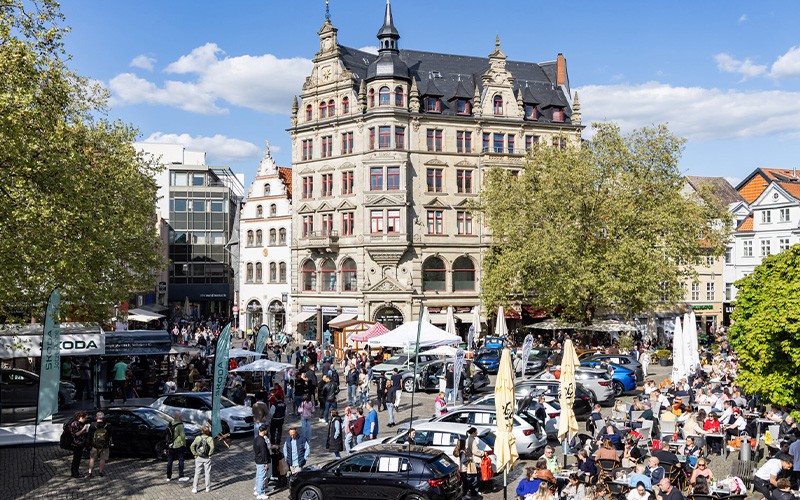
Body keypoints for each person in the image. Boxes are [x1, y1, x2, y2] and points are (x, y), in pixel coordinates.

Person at [166, 412, 189, 482]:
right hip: (178, 445)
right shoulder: (180, 425)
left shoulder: (170, 423)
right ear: (179, 417)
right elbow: (182, 436)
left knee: (170, 460)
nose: (182, 417)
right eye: (181, 416)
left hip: (170, 445)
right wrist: (184, 444)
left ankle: (168, 477)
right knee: (181, 460)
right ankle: (181, 476)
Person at [190, 426, 214, 494]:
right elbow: (212, 447)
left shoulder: (198, 438)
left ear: (202, 431)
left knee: (197, 473)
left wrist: (195, 454)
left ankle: (195, 488)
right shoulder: (209, 439)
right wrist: (210, 454)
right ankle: (207, 488)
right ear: (208, 432)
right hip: (207, 458)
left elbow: (192, 446)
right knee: (207, 473)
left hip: (199, 457)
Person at [87, 411, 109, 479]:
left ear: (96, 417)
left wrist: (88, 444)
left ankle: (90, 472)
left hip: (94, 445)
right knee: (102, 459)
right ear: (103, 417)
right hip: (104, 445)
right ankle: (100, 472)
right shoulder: (106, 425)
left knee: (92, 459)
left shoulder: (93, 425)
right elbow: (110, 435)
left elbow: (89, 436)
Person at [69, 411, 90, 478]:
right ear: (81, 417)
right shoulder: (75, 424)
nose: (85, 420)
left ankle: (76, 471)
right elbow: (76, 434)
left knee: (78, 459)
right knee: (76, 459)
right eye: (85, 418)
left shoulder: (80, 424)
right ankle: (74, 473)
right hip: (76, 444)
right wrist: (83, 429)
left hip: (81, 443)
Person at [254, 424, 272, 499]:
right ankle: (260, 493)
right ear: (264, 431)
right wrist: (266, 463)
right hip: (262, 461)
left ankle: (257, 489)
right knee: (262, 477)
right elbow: (264, 452)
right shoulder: (262, 441)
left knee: (258, 476)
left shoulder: (256, 439)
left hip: (258, 460)